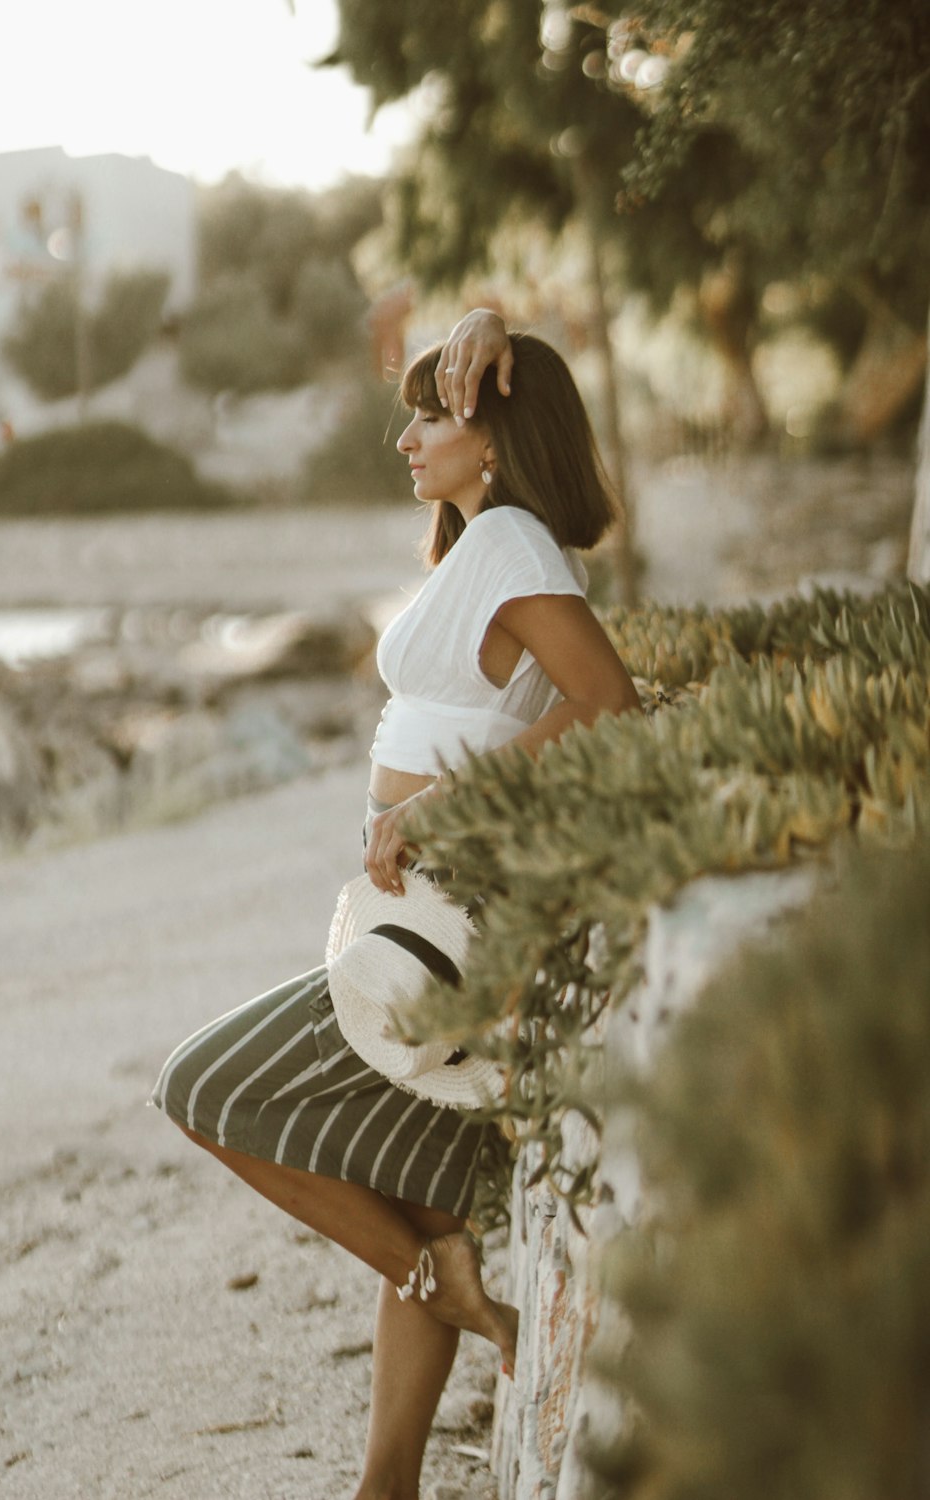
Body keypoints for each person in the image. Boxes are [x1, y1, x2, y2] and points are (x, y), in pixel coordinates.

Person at [150, 308, 640, 1500]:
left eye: (434, 412)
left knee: (204, 1086)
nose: (408, 434)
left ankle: (443, 1289)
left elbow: (610, 704)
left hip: (441, 932)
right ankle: (388, 1482)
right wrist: (478, 323)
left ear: (494, 429)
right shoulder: (489, 545)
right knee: (425, 1200)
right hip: (417, 923)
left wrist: (429, 816)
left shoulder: (516, 544)